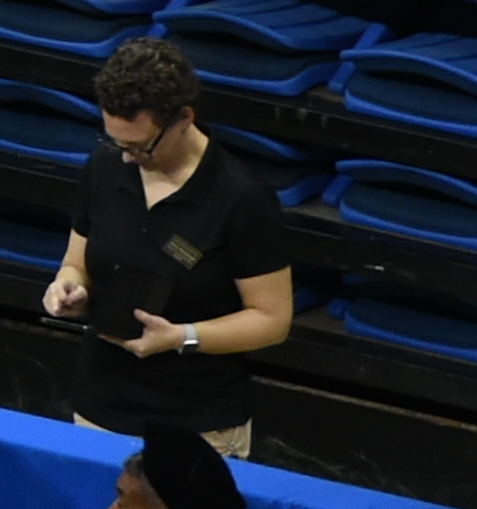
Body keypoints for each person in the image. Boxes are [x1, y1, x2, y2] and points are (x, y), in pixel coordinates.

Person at [47, 39, 296, 462]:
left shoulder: (241, 199)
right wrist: (69, 288)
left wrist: (182, 337)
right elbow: (76, 262)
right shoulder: (106, 166)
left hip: (195, 425)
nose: (127, 158)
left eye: (141, 146)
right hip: (100, 409)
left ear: (183, 119)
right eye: (116, 142)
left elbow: (272, 321)